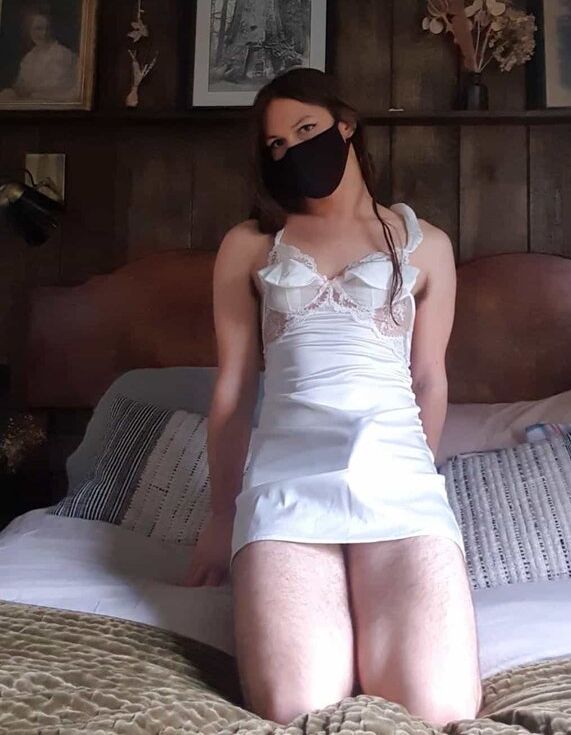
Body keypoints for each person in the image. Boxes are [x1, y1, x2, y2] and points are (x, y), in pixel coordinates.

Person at [185, 67, 481, 726]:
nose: (292, 148)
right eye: (277, 144)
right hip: (286, 489)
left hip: (399, 485)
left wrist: (419, 479)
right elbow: (233, 387)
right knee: (298, 705)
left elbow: (429, 379)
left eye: (306, 129)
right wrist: (220, 516)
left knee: (438, 707)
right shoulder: (250, 244)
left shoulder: (427, 245)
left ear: (345, 126)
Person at [0, 2, 79, 103]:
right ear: (29, 31)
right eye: (38, 29)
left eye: (47, 28)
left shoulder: (62, 54)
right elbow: (20, 84)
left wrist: (30, 91)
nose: (44, 33)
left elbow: (59, 87)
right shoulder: (29, 57)